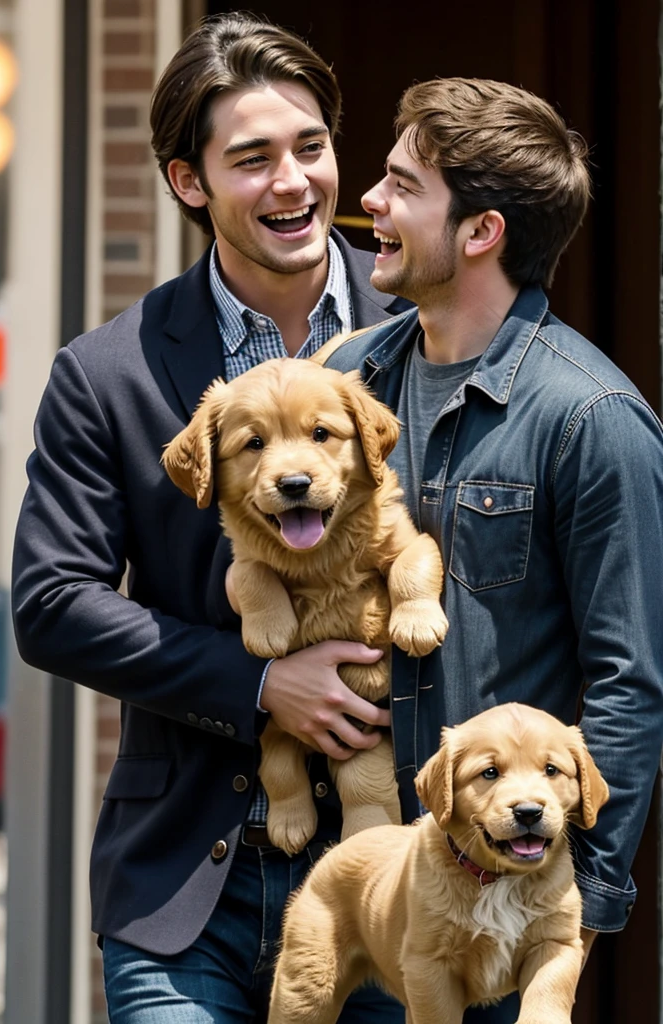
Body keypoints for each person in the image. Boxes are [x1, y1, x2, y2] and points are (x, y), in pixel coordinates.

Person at [10, 12, 411, 1024]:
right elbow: (52, 602)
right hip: (186, 891)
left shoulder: (424, 338)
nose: (293, 181)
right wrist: (260, 681)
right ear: (190, 182)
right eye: (252, 159)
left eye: (310, 147)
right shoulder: (106, 374)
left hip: (399, 874)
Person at [319, 77, 663, 1022]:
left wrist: (571, 919)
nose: (371, 204)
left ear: (480, 233)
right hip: (352, 894)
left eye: (401, 187)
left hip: (496, 925)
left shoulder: (595, 422)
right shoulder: (347, 380)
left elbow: (628, 686)